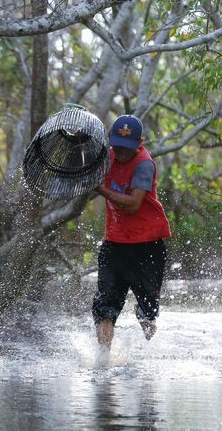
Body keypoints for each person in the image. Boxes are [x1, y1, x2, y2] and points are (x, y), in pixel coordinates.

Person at [92, 114, 171, 349]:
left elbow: (134, 203)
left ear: (140, 142)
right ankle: (103, 360)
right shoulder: (107, 157)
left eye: (127, 148)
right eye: (117, 146)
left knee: (147, 312)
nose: (122, 152)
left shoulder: (144, 164)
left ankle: (150, 356)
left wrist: (102, 190)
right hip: (114, 243)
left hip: (147, 246)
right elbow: (84, 161)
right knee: (105, 305)